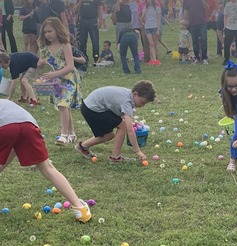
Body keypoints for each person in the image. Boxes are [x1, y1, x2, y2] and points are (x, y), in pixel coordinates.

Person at [0, 99, 92, 223]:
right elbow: (13, 145)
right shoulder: (5, 103)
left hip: (5, 127)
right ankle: (81, 209)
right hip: (29, 125)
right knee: (48, 168)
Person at [75, 80, 155, 163]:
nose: (142, 105)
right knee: (122, 126)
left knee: (109, 135)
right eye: (142, 102)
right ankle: (115, 158)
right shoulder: (127, 101)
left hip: (90, 106)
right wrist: (138, 151)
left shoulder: (128, 94)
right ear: (135, 94)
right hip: (92, 109)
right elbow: (130, 130)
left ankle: (82, 147)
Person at [38, 17, 82, 145]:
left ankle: (63, 134)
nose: (47, 35)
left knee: (63, 105)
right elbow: (42, 62)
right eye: (45, 32)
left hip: (68, 79)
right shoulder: (44, 48)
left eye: (50, 31)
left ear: (58, 30)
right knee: (65, 106)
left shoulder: (65, 45)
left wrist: (55, 74)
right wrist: (40, 63)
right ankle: (71, 134)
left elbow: (70, 66)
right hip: (55, 81)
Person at [183, 0, 208, 64]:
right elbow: (186, 12)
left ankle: (204, 57)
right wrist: (185, 23)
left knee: (204, 39)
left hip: (202, 22)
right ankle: (197, 58)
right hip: (192, 23)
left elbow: (207, 7)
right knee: (194, 41)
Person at [222, 0, 237, 65]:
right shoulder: (227, 4)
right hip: (229, 28)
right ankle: (226, 59)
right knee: (227, 45)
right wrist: (225, 26)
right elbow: (225, 16)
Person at [141, 0, 162, 65]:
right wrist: (144, 13)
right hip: (147, 27)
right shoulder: (145, 8)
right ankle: (153, 59)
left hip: (155, 27)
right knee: (151, 44)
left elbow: (159, 19)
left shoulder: (157, 8)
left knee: (155, 44)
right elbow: (142, 19)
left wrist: (158, 30)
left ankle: (155, 59)